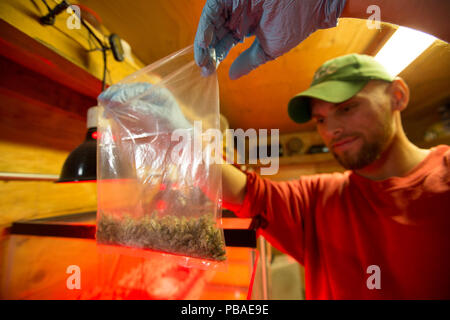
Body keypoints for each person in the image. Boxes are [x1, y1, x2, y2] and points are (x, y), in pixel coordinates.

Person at [194, 0, 450, 299]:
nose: (331, 130)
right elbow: (246, 193)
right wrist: (180, 140)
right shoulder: (319, 199)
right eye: (321, 119)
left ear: (397, 95)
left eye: (347, 107)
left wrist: (337, 3)